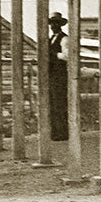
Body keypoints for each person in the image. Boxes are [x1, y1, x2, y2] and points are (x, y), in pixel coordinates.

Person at [47, 12, 70, 142]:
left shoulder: (64, 39)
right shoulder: (50, 39)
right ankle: (54, 131)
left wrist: (54, 54)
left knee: (59, 103)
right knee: (52, 102)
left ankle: (63, 132)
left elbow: (67, 56)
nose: (53, 26)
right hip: (51, 74)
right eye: (52, 23)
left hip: (60, 74)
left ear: (60, 25)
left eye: (56, 23)